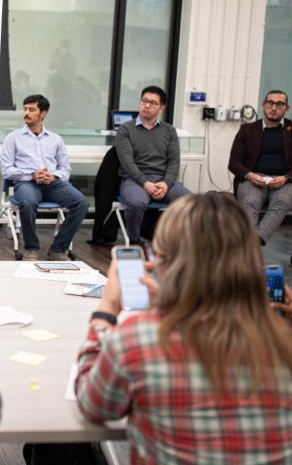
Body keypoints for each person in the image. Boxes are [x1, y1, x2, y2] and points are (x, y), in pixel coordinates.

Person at [75, 193, 292, 463]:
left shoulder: (138, 340)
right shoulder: (282, 342)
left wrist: (106, 311)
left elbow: (92, 405)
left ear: (164, 264)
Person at [1, 94, 89, 261]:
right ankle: (31, 248)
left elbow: (65, 169)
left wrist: (53, 176)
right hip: (27, 183)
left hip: (53, 184)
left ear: (43, 114)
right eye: (25, 109)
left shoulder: (56, 139)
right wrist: (32, 175)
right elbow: (7, 170)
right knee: (27, 202)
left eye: (32, 109)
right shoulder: (12, 138)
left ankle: (58, 249)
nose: (26, 112)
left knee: (82, 203)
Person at [114, 85, 191, 244]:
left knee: (191, 202)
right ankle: (135, 241)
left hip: (163, 179)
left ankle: (178, 242)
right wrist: (145, 183)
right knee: (136, 203)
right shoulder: (125, 129)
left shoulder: (169, 130)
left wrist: (166, 183)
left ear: (161, 107)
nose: (147, 106)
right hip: (134, 180)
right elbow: (127, 162)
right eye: (144, 101)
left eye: (153, 103)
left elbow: (174, 160)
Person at [228, 89, 292, 245]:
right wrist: (249, 175)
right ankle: (250, 244)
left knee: (282, 202)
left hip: (284, 181)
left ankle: (253, 241)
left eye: (279, 104)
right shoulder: (247, 130)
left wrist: (286, 177)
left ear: (286, 108)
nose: (274, 107)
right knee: (250, 202)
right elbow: (234, 163)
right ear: (263, 105)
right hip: (254, 179)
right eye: (270, 103)